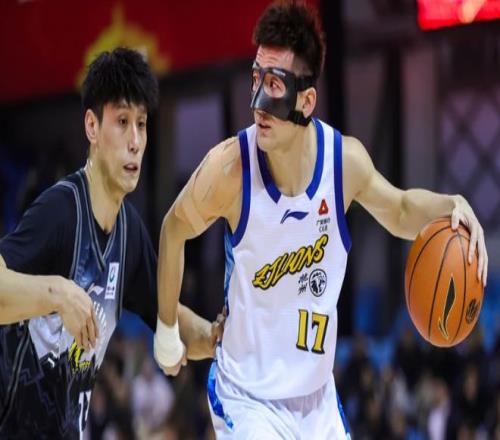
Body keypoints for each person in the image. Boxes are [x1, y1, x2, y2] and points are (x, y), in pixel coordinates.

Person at [154, 1, 488, 438]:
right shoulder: (230, 169)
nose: (258, 103)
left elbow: (402, 210)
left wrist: (453, 204)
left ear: (306, 100)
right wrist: (166, 328)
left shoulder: (343, 162)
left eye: (274, 85)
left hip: (316, 401)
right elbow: (174, 228)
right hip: (248, 397)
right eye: (256, 79)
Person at [0, 47, 218, 438]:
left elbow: (170, 319)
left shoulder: (129, 233)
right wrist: (57, 293)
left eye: (142, 124)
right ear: (92, 126)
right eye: (121, 121)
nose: (135, 141)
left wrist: (221, 338)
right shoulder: (61, 211)